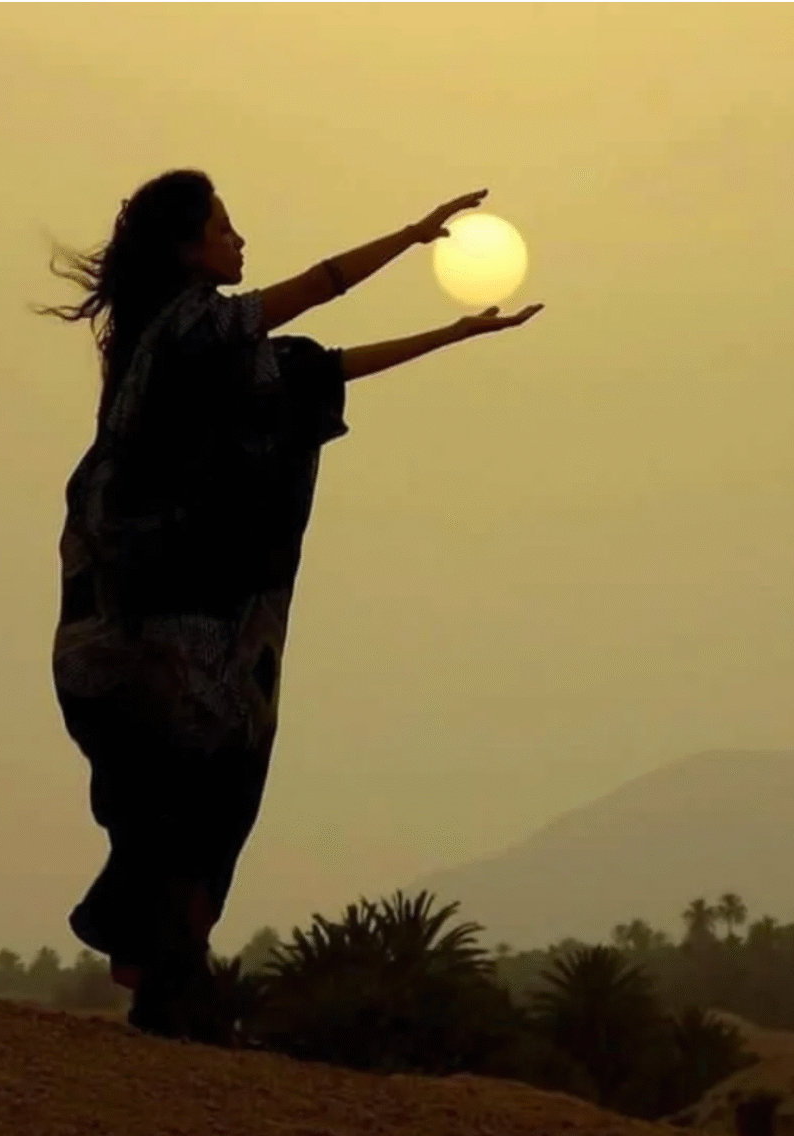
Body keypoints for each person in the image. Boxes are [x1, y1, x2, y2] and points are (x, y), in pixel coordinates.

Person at [32, 169, 543, 1045]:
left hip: (196, 630)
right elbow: (313, 292)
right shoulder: (188, 327)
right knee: (185, 791)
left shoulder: (223, 356)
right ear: (187, 249)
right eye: (224, 229)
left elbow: (326, 371)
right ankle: (164, 976)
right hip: (153, 622)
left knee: (203, 791)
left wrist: (458, 333)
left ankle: (161, 973)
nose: (239, 243)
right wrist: (414, 231)